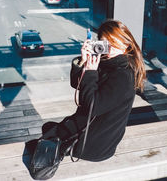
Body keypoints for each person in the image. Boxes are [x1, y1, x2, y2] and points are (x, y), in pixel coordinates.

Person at [29, 19, 146, 162]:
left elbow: (92, 106)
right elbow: (77, 84)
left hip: (94, 143)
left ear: (127, 44)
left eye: (115, 42)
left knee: (44, 140)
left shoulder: (123, 75)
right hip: (94, 130)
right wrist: (84, 62)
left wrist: (91, 71)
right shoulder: (109, 62)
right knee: (48, 128)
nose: (111, 47)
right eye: (106, 42)